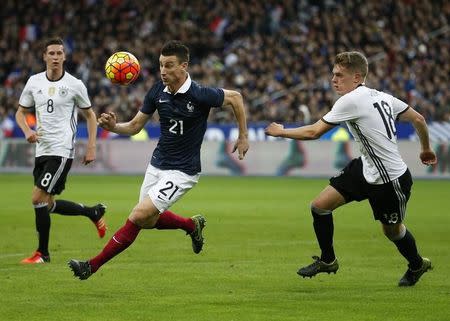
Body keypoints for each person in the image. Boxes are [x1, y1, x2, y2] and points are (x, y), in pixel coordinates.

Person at [68, 40, 249, 280]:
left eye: (169, 65)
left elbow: (236, 97)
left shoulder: (200, 94)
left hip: (183, 171)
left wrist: (243, 135)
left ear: (184, 66)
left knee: (138, 216)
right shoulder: (156, 92)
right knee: (148, 220)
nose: (163, 71)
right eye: (161, 65)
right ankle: (190, 225)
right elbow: (134, 127)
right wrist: (113, 127)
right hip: (157, 165)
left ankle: (91, 265)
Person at [265, 51, 436, 286]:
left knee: (393, 232)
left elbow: (314, 132)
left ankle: (417, 264)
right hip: (365, 168)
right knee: (319, 207)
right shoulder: (383, 96)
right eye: (333, 75)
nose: (333, 80)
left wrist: (281, 132)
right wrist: (425, 149)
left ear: (357, 77)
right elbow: (419, 119)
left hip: (390, 179)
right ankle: (328, 260)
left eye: (339, 75)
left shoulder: (351, 100)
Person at [16, 37, 107, 264]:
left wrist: (91, 146)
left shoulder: (75, 84)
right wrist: (27, 130)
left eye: (59, 53)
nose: (55, 57)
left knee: (37, 198)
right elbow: (20, 112)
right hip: (42, 149)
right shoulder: (34, 82)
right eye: (52, 53)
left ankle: (42, 254)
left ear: (65, 57)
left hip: (62, 150)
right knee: (46, 204)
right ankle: (92, 212)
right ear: (44, 57)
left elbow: (90, 116)